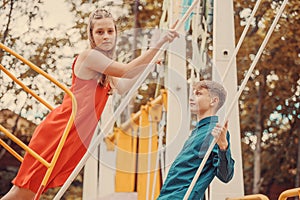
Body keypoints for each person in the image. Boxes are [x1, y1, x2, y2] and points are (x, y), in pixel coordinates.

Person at [1, 8, 178, 200]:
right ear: (92, 36)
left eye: (110, 31)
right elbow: (126, 70)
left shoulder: (105, 67)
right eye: (100, 32)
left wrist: (149, 65)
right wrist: (158, 44)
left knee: (32, 193)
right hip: (62, 129)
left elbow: (124, 86)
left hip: (76, 135)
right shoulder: (89, 56)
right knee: (22, 192)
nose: (106, 36)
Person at [157, 80, 235, 200]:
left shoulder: (214, 133)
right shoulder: (197, 133)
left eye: (198, 94)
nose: (191, 98)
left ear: (214, 101)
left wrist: (223, 147)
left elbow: (225, 176)